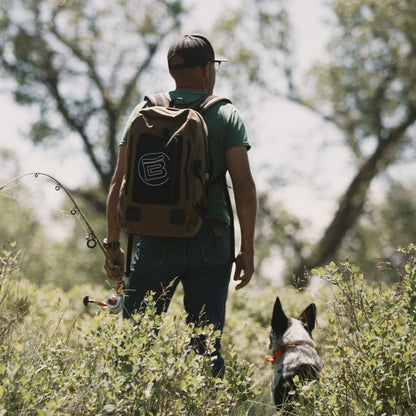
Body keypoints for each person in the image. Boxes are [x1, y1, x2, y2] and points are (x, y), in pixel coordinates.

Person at [104, 34, 257, 376]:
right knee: (205, 349)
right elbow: (244, 187)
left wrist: (113, 243)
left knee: (134, 345)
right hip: (211, 239)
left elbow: (118, 182)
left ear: (173, 70)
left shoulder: (144, 111)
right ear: (206, 69)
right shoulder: (225, 114)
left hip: (154, 238)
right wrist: (247, 247)